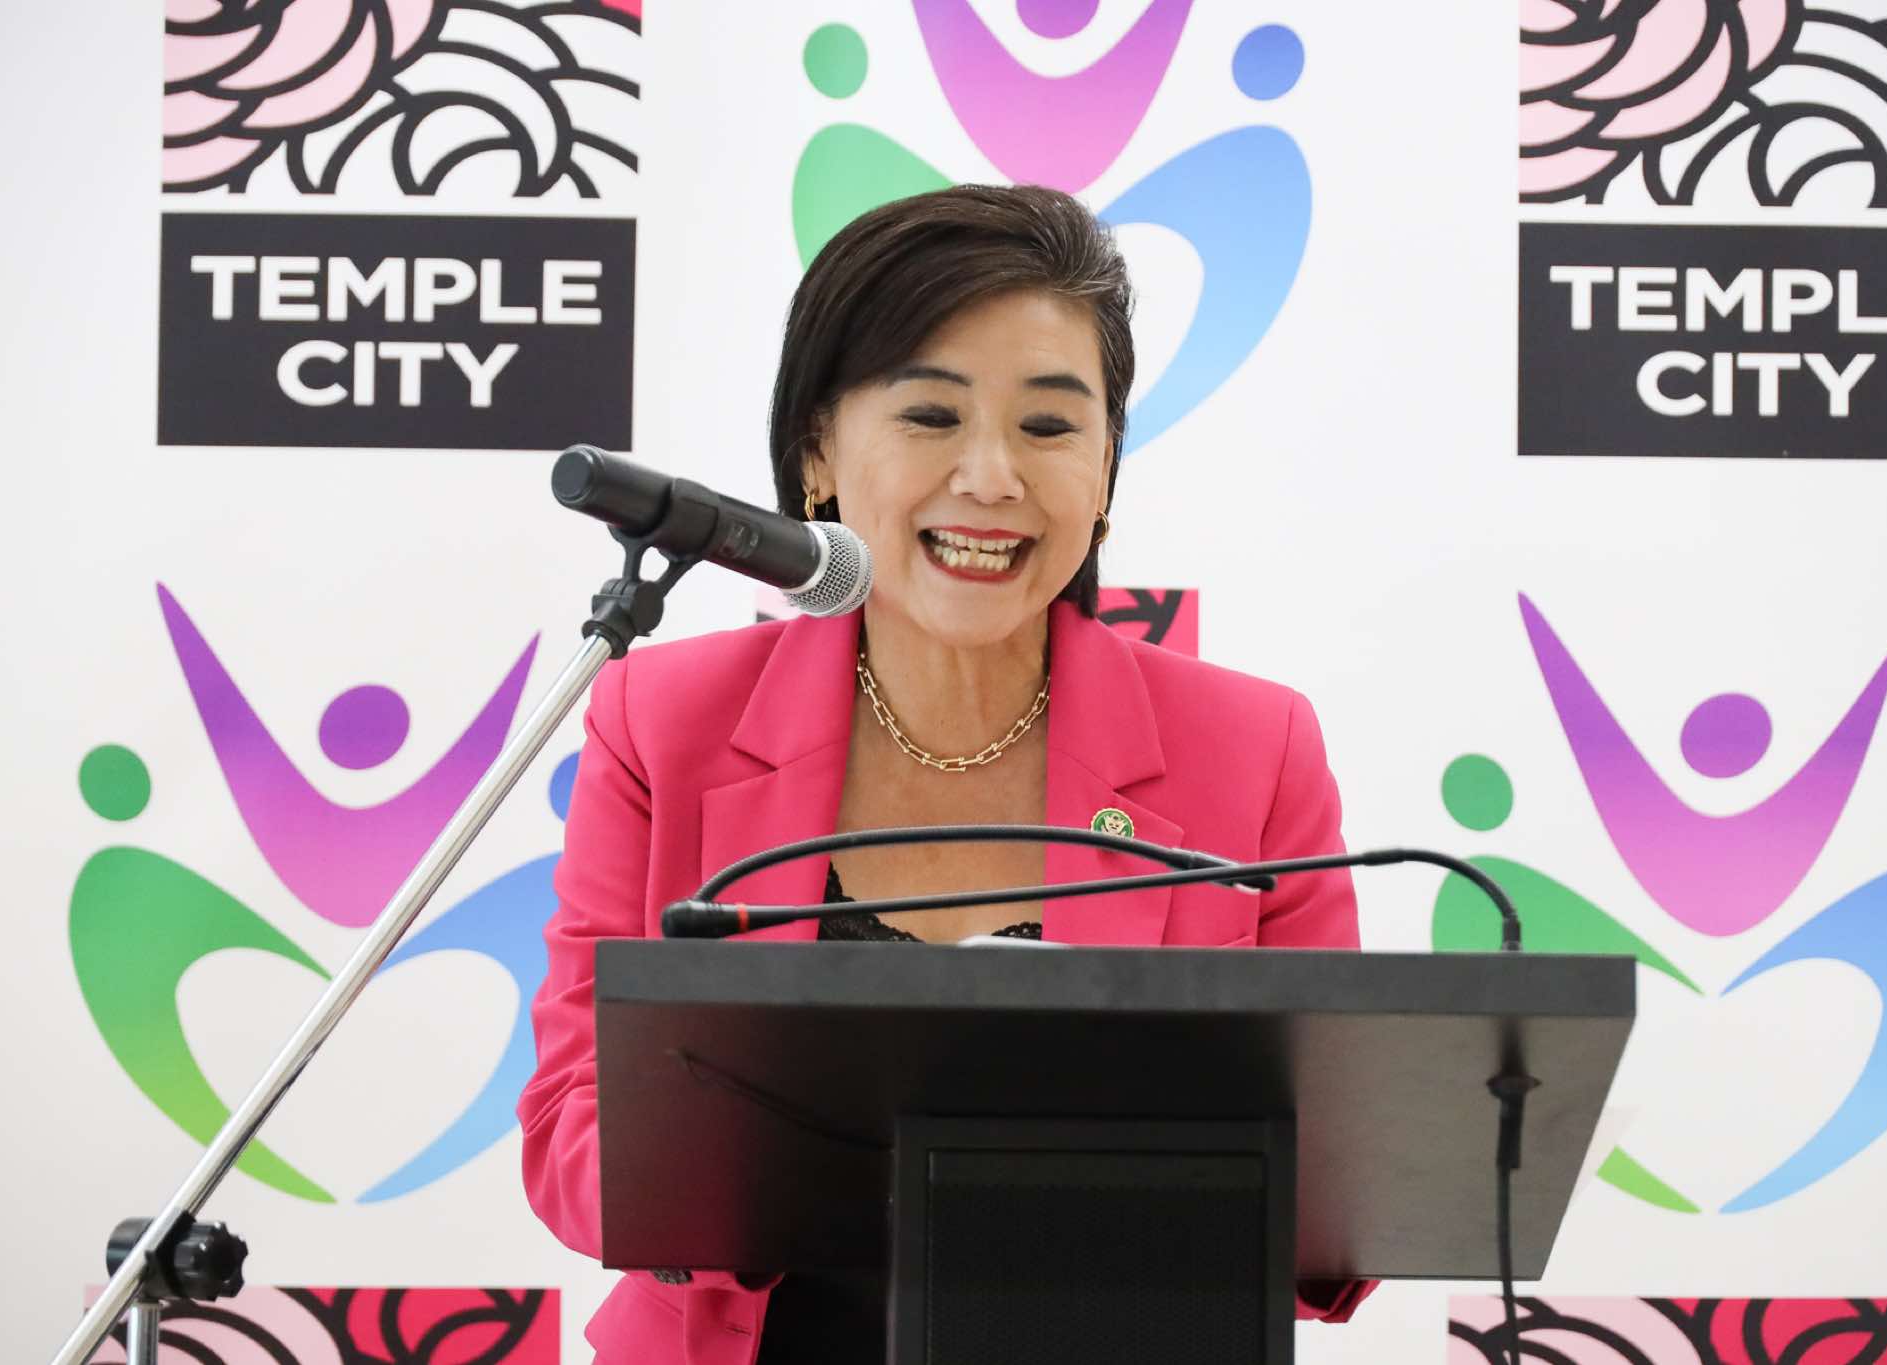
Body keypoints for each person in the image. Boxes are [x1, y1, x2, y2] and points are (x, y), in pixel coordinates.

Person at [518, 184, 1374, 1364]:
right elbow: (573, 1129)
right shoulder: (663, 722)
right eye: (930, 415)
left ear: (1104, 469)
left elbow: (1332, 1196)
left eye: (1048, 426)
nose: (989, 476)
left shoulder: (1253, 745)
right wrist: (800, 1165)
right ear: (817, 451)